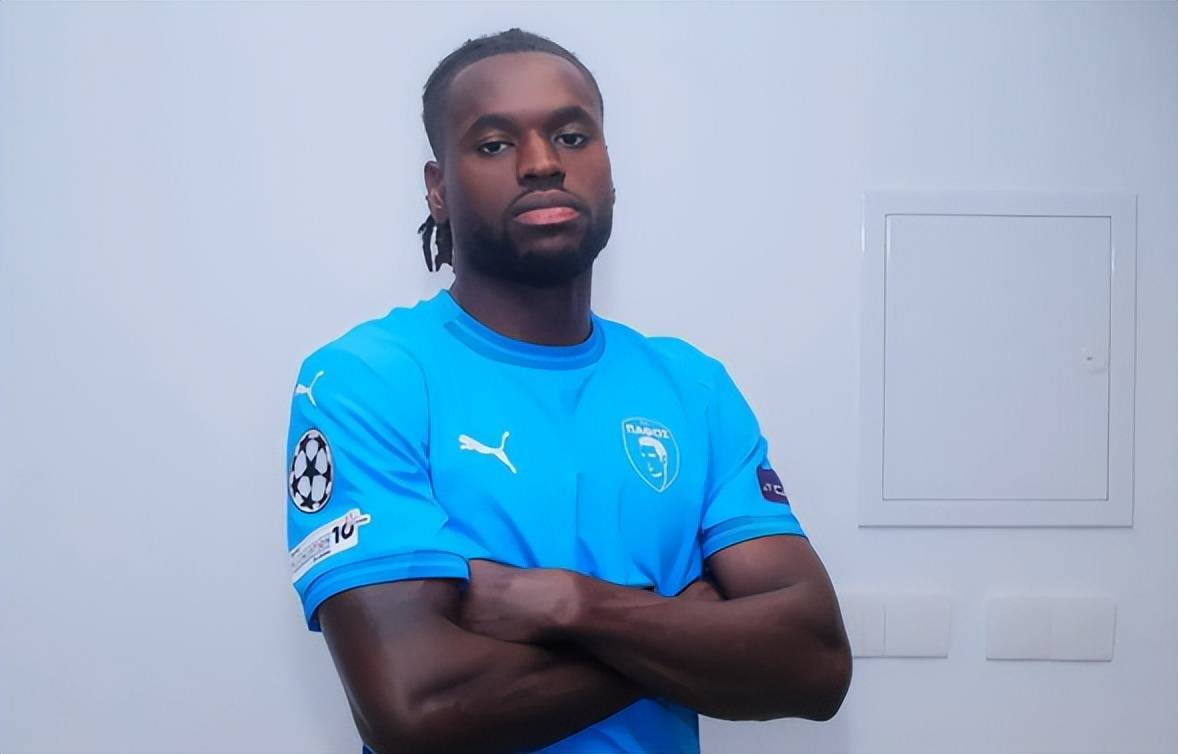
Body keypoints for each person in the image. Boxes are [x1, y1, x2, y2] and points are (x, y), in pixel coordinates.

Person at [284, 27, 852, 754]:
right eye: (495, 144)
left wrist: (570, 604)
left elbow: (815, 665)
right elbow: (415, 709)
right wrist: (687, 624)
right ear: (438, 188)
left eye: (572, 136)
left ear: (608, 167)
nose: (543, 163)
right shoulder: (366, 380)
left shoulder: (692, 386)